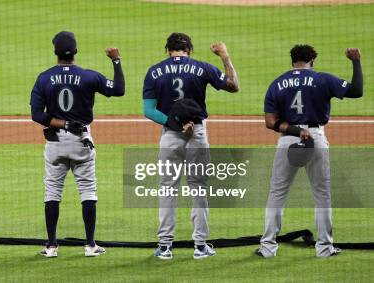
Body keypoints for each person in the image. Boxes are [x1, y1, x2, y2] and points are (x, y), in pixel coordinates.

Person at [257, 45, 363, 258]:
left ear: (292, 61)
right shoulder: (323, 79)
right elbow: (356, 91)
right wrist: (356, 61)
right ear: (312, 61)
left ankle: (267, 248)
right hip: (316, 138)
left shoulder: (277, 83)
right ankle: (324, 248)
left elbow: (270, 122)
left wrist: (296, 130)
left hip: (288, 139)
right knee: (322, 194)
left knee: (277, 193)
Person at [142, 32, 240, 260]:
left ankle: (165, 247)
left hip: (170, 135)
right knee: (199, 188)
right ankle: (200, 246)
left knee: (167, 189)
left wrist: (175, 125)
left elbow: (148, 111)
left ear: (168, 50)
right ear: (190, 50)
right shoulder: (202, 67)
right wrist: (225, 57)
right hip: (197, 134)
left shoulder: (155, 71)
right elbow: (234, 86)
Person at [30, 31, 125, 258]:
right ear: (75, 52)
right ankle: (90, 245)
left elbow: (36, 114)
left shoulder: (44, 78)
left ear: (55, 52)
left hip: (55, 142)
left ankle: (51, 246)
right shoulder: (88, 76)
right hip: (82, 141)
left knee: (52, 191)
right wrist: (116, 60)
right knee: (88, 190)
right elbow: (119, 90)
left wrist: (61, 122)